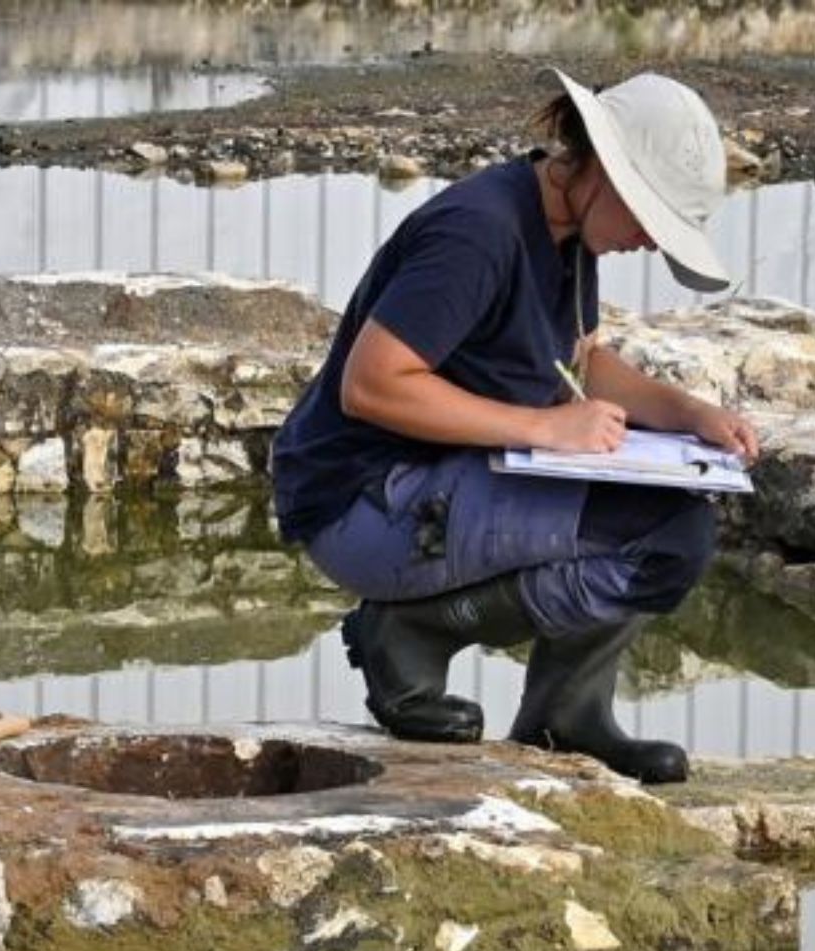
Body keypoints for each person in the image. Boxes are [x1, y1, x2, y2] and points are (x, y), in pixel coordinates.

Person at [271, 68, 759, 784]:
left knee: (674, 514)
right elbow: (371, 385)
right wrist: (544, 427)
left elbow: (578, 362)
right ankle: (409, 630)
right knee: (662, 536)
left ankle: (567, 717)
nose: (651, 244)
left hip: (443, 478)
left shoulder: (569, 233)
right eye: (649, 218)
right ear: (602, 171)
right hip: (362, 502)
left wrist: (690, 413)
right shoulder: (478, 232)